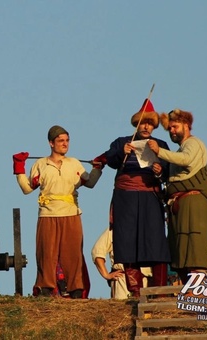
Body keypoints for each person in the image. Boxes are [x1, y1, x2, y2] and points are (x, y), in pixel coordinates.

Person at [13, 125, 103, 299]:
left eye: (67, 140)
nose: (65, 144)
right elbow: (27, 188)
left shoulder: (74, 163)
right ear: (51, 143)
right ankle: (45, 287)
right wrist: (19, 168)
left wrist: (98, 168)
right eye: (61, 140)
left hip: (71, 213)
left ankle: (76, 289)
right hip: (48, 214)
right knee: (46, 252)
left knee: (73, 253)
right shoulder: (40, 164)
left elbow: (90, 182)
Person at [95, 99, 170, 297]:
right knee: (127, 241)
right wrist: (122, 152)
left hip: (150, 197)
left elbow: (170, 170)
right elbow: (110, 159)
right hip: (126, 198)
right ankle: (135, 290)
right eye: (143, 123)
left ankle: (160, 290)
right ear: (137, 123)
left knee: (156, 241)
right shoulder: (121, 142)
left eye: (151, 124)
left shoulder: (161, 145)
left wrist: (160, 169)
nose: (146, 127)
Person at [147, 108, 207, 284]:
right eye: (170, 128)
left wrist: (159, 152)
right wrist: (161, 173)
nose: (172, 130)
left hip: (192, 201)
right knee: (179, 247)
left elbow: (186, 160)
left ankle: (199, 287)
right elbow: (176, 175)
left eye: (175, 126)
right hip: (179, 203)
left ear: (186, 125)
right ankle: (188, 286)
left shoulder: (193, 144)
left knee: (194, 242)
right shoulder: (179, 150)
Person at [91, 227, 153, 299]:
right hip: (123, 281)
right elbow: (97, 251)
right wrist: (106, 275)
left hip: (147, 282)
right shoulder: (115, 229)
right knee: (122, 308)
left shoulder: (148, 228)